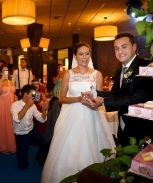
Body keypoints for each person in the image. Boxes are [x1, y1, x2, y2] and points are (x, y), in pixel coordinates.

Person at [41, 42, 116, 183]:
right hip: (72, 116)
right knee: (69, 150)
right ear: (75, 56)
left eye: (87, 53)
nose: (84, 57)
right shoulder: (68, 74)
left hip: (92, 114)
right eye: (81, 54)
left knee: (93, 148)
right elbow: (61, 98)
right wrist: (78, 98)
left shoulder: (97, 74)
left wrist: (93, 102)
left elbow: (99, 98)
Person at [85, 33, 153, 145]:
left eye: (124, 47)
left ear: (134, 47)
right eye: (116, 48)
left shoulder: (146, 67)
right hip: (124, 126)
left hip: (143, 129)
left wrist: (104, 102)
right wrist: (95, 93)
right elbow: (115, 93)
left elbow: (139, 97)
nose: (120, 51)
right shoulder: (119, 71)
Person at [10, 84, 50, 170]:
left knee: (47, 142)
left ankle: (39, 157)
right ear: (25, 94)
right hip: (21, 135)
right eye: (32, 94)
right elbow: (17, 119)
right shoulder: (15, 105)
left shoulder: (33, 105)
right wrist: (27, 105)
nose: (34, 96)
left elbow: (42, 119)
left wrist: (43, 111)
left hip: (31, 132)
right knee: (23, 166)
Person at [0, 66, 17, 155]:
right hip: (1, 105)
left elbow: (14, 93)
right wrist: (1, 79)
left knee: (11, 125)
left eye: (7, 70)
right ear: (0, 73)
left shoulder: (11, 82)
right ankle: (3, 147)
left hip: (11, 105)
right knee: (2, 125)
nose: (5, 72)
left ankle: (11, 145)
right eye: (3, 71)